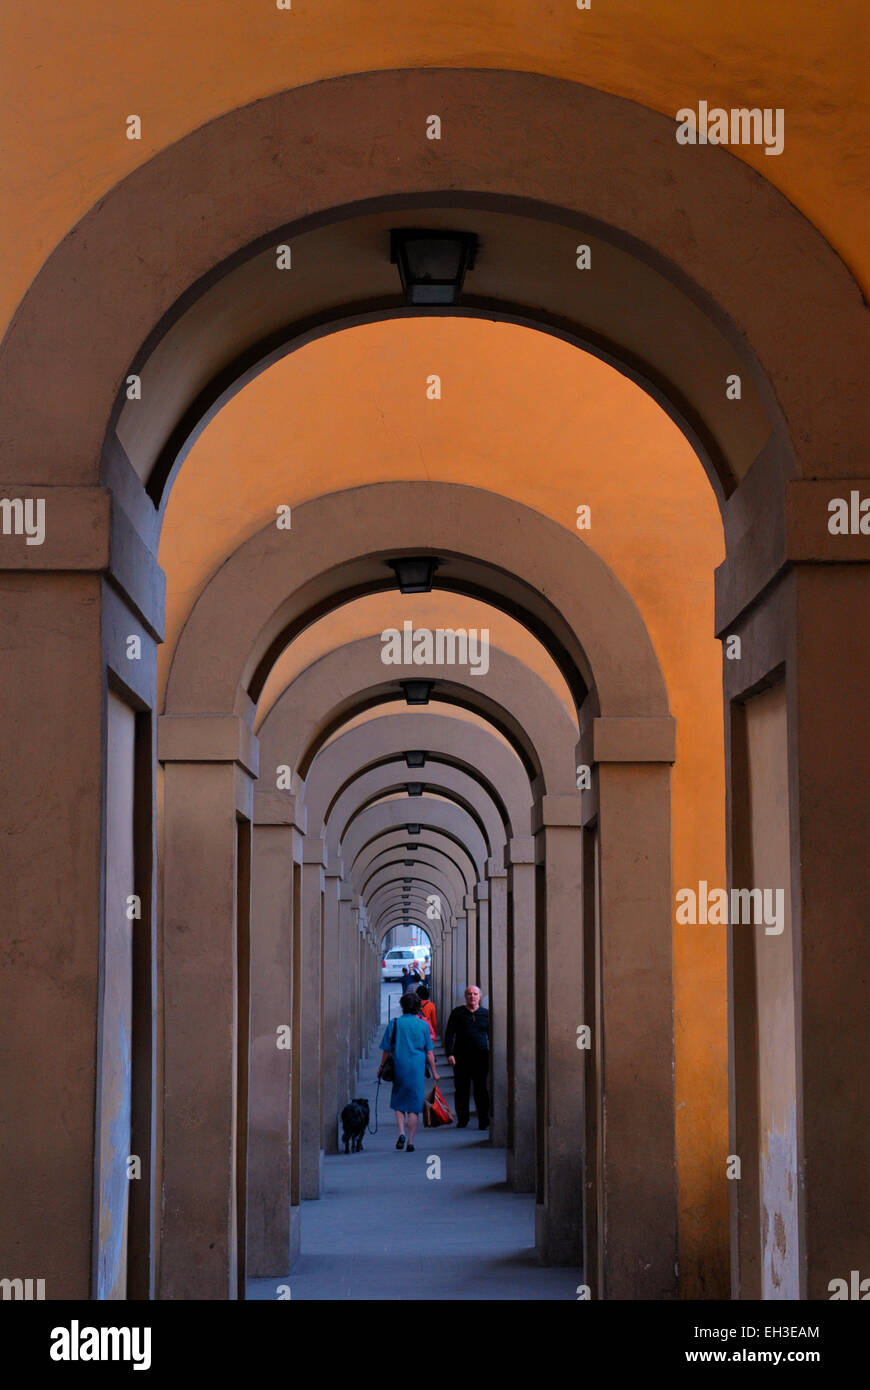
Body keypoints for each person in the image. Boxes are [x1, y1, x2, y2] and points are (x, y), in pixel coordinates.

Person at [377, 992, 439, 1152]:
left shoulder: (394, 1023)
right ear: (418, 1006)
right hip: (417, 1068)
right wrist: (434, 1072)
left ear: (402, 1006)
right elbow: (429, 1052)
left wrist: (381, 1066)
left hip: (399, 1066)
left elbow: (385, 1049)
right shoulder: (423, 1025)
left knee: (399, 1101)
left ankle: (401, 1132)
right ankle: (411, 1142)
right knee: (414, 1106)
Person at [444, 985, 490, 1129]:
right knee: (461, 1089)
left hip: (481, 1056)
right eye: (469, 994)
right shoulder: (457, 1013)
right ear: (465, 996)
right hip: (461, 1056)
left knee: (481, 1089)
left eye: (475, 994)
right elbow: (449, 1034)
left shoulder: (486, 1014)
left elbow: (492, 1034)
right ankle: (463, 1119)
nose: (472, 996)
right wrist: (450, 1053)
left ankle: (484, 1120)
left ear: (480, 996)